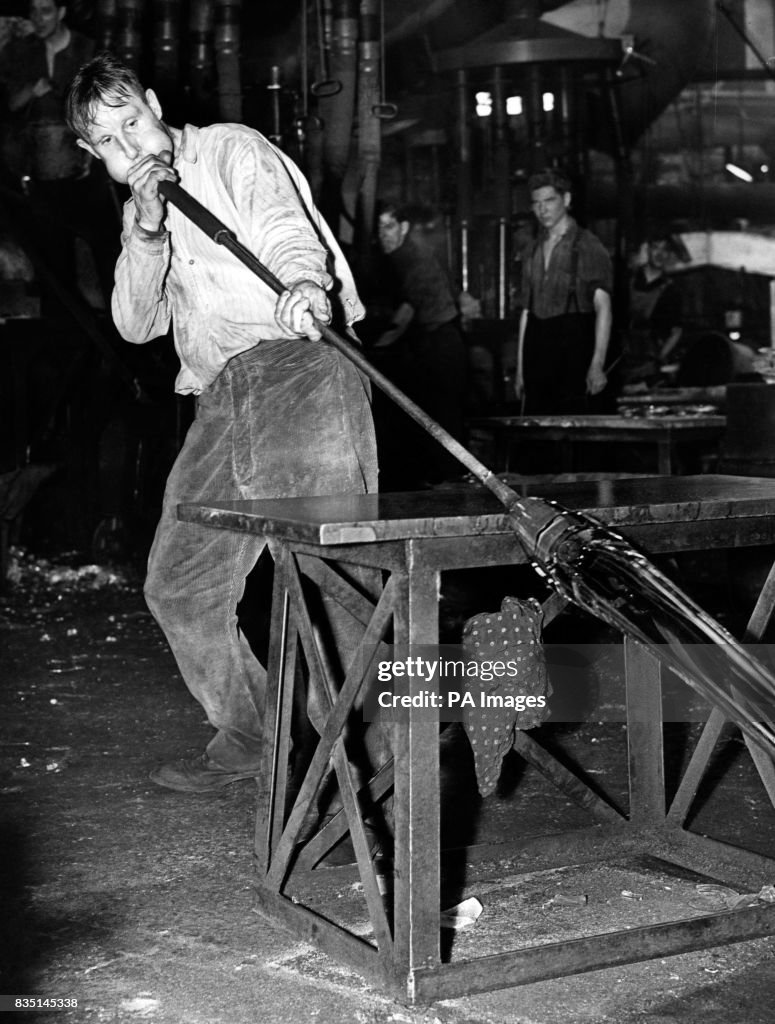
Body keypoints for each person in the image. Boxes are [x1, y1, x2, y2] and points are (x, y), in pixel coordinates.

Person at [65, 52, 381, 794]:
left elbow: (281, 227)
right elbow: (136, 324)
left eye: (134, 122)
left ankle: (363, 777)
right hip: (222, 395)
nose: (133, 146)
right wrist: (144, 234)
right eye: (109, 142)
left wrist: (304, 282)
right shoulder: (143, 210)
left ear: (151, 102)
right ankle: (255, 733)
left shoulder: (229, 148)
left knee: (328, 585)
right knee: (179, 583)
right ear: (92, 154)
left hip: (302, 369)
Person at [374, 202, 467, 483]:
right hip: (426, 343)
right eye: (379, 228)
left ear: (404, 228)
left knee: (443, 421)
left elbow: (405, 313)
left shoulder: (413, 257)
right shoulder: (396, 259)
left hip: (442, 345)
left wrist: (376, 349)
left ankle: (450, 488)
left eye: (389, 227)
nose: (383, 234)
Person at [515, 169, 613, 415]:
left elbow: (604, 308)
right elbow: (527, 312)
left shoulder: (588, 246)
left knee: (573, 429)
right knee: (538, 433)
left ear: (567, 200)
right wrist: (520, 370)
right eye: (536, 204)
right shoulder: (532, 250)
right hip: (538, 346)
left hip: (574, 345)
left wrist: (597, 364)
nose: (542, 210)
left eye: (549, 201)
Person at [624, 232, 684, 385]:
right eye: (655, 248)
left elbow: (676, 332)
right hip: (623, 360)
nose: (660, 254)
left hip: (650, 366)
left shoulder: (672, 291)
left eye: (665, 250)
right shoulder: (627, 282)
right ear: (647, 250)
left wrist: (659, 359)